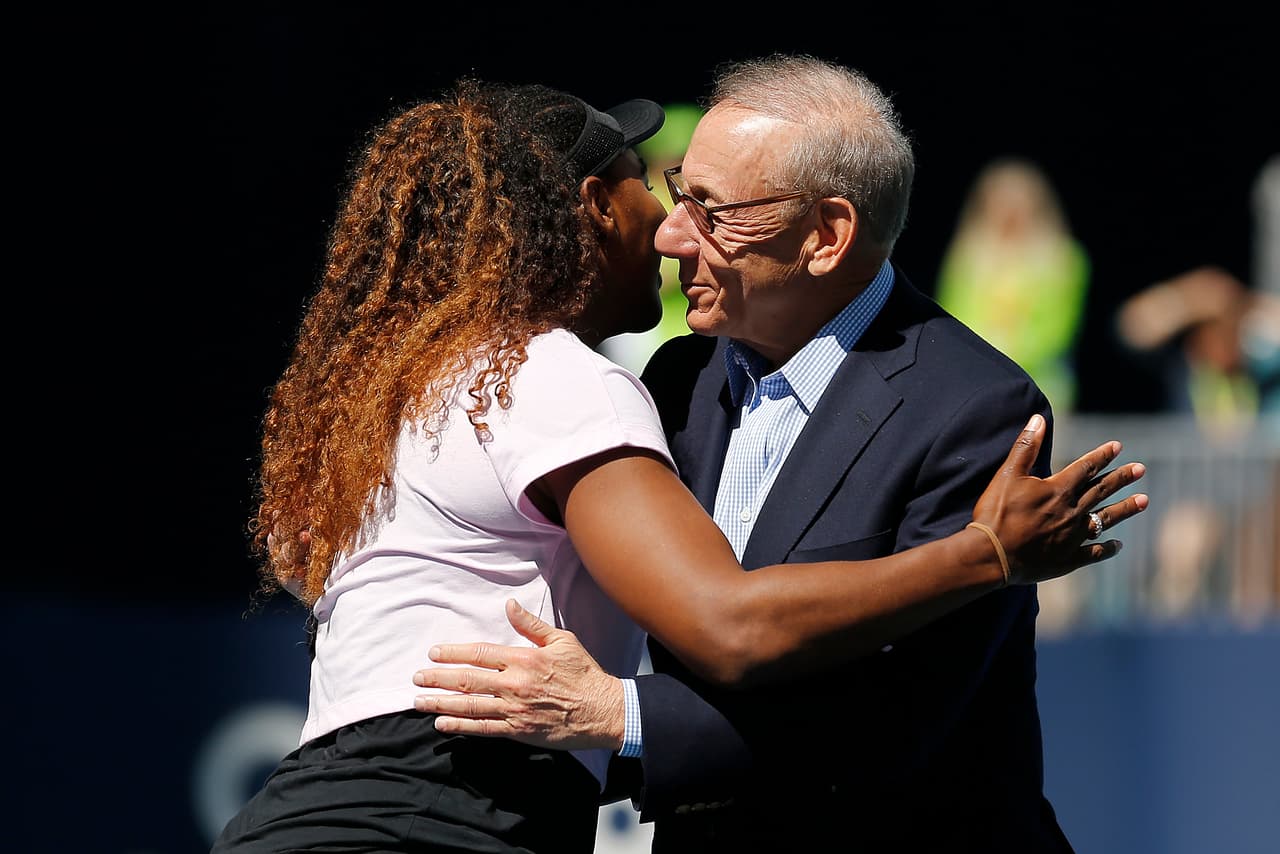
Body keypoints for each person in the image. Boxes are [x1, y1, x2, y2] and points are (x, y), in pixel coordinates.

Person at [215, 75, 1146, 853]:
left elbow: (893, 720)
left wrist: (621, 717)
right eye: (670, 189)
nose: (671, 232)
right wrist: (985, 552)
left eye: (711, 210)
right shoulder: (671, 379)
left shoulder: (973, 408)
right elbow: (723, 628)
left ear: (826, 234)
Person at [935, 156, 1091, 414]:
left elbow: (1057, 329)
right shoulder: (968, 256)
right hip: (974, 383)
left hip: (1041, 383)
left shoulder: (1062, 259)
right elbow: (952, 315)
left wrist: (1005, 354)